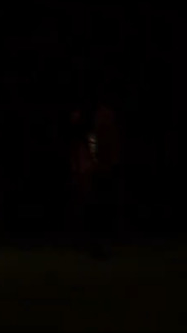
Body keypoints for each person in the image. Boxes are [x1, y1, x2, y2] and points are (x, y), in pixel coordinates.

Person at [67, 93, 123, 258]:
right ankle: (92, 242)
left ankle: (99, 242)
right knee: (91, 207)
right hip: (93, 170)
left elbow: (105, 149)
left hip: (99, 170)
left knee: (99, 207)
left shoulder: (100, 130)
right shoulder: (89, 134)